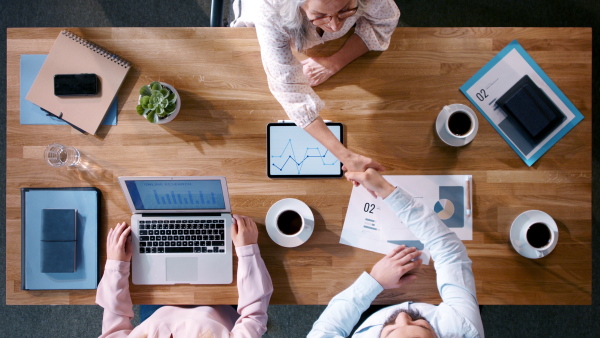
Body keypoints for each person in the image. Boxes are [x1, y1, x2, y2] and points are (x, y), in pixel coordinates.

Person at [308, 169, 484, 337]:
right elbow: (450, 253)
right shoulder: (464, 330)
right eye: (422, 325)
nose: (402, 316)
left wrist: (373, 282)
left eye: (391, 331)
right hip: (439, 304)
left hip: (367, 314)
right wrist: (387, 191)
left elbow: (325, 329)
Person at [231, 0, 400, 172]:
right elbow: (289, 90)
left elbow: (385, 21)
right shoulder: (270, 11)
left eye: (345, 11)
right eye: (320, 16)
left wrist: (334, 63)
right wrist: (346, 157)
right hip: (261, 26)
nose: (334, 26)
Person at [96, 215, 273, 337]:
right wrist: (247, 250)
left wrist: (116, 265)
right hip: (222, 307)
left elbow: (114, 328)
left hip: (157, 311)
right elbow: (253, 317)